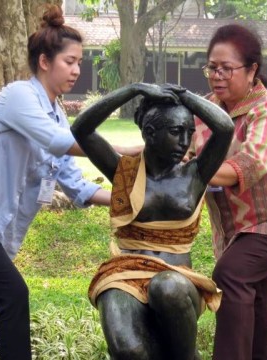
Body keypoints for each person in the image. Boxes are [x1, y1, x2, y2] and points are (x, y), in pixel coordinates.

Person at [0, 5, 115, 359]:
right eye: (70, 61)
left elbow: (79, 188)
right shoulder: (18, 96)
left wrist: (128, 199)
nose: (77, 70)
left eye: (79, 62)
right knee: (12, 293)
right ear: (45, 61)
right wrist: (136, 151)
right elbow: (59, 143)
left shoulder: (57, 115)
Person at [71, 82, 234, 359]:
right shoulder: (123, 171)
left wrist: (184, 95)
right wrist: (133, 90)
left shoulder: (194, 174)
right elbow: (82, 129)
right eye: (175, 132)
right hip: (125, 276)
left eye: (189, 133)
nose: (184, 142)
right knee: (129, 350)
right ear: (149, 133)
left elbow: (224, 128)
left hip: (178, 279)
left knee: (166, 287)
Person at [188, 23, 267, 360]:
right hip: (240, 229)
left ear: (252, 70)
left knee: (230, 275)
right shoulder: (206, 110)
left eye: (226, 68)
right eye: (211, 67)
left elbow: (246, 166)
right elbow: (175, 151)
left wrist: (188, 171)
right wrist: (77, 145)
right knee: (255, 304)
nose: (217, 75)